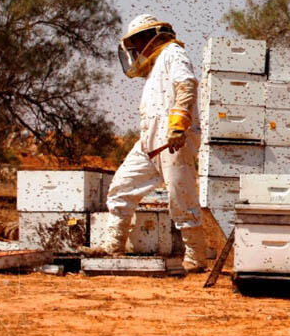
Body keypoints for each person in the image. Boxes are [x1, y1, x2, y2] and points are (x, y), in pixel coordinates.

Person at [83, 15, 207, 271]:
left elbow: (187, 86)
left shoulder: (173, 53)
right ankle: (112, 245)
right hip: (149, 142)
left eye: (136, 42)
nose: (135, 50)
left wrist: (178, 126)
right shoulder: (155, 65)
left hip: (173, 141)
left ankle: (195, 257)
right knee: (121, 187)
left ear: (148, 36)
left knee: (181, 198)